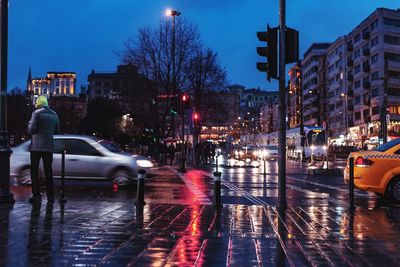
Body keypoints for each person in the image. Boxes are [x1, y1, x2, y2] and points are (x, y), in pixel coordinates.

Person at [28, 95, 60, 203]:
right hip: (49, 146)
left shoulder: (36, 113)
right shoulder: (54, 114)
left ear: (39, 104)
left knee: (34, 171)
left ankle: (36, 195)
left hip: (36, 147)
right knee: (48, 171)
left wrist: (29, 124)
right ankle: (50, 196)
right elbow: (57, 131)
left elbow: (32, 129)